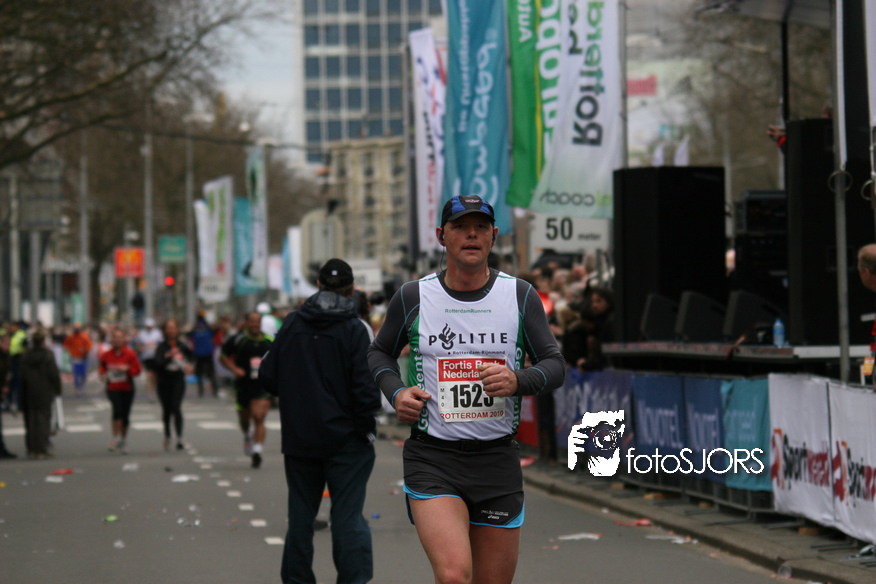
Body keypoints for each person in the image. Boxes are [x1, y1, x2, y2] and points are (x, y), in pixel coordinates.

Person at [367, 195, 566, 584]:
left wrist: (517, 381)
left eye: (481, 227)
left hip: (496, 462)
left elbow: (555, 365)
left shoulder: (520, 295)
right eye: (460, 227)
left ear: (494, 235)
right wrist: (396, 393)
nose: (471, 234)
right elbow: (379, 353)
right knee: (455, 575)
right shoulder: (414, 296)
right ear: (441, 236)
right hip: (433, 459)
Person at [260, 258, 381, 584]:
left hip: (300, 438)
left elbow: (267, 375)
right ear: (352, 290)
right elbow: (367, 389)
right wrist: (364, 429)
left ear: (317, 286)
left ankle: (297, 579)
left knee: (300, 517)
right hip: (347, 441)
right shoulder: (355, 327)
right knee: (347, 516)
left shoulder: (292, 323)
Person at [220, 312, 273, 468]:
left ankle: (257, 451)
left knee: (258, 416)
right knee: (244, 419)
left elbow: (281, 358)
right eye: (252, 321)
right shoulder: (238, 339)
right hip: (243, 385)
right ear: (246, 323)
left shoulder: (269, 341)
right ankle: (247, 434)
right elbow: (223, 356)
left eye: (257, 321)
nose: (255, 324)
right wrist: (234, 369)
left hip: (262, 385)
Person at [98, 328, 142, 454]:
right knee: (117, 409)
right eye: (115, 338)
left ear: (124, 339)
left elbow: (137, 370)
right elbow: (102, 366)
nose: (117, 340)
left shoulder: (130, 354)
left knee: (125, 414)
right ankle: (115, 437)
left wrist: (127, 369)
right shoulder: (106, 354)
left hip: (127, 387)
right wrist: (102, 373)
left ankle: (123, 439)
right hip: (112, 386)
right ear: (111, 340)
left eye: (120, 338)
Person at [153, 319, 193, 451]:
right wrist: (170, 355)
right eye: (168, 328)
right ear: (165, 331)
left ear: (177, 330)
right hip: (164, 381)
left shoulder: (182, 346)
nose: (171, 331)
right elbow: (157, 364)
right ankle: (167, 435)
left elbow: (190, 358)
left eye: (173, 328)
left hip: (178, 380)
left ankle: (180, 438)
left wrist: (189, 365)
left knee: (176, 407)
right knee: (166, 409)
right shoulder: (162, 347)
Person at [20, 331, 62, 459]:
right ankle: (42, 448)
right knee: (43, 420)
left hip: (29, 391)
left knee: (31, 420)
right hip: (44, 390)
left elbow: (22, 375)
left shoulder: (26, 356)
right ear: (43, 342)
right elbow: (54, 374)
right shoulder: (48, 355)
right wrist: (58, 390)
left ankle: (32, 448)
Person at [134, 318, 163, 402]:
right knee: (149, 375)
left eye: (150, 326)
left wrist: (158, 349)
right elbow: (137, 343)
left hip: (156, 357)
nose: (149, 328)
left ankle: (155, 391)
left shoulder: (158, 333)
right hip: (147, 357)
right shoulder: (142, 334)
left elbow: (161, 343)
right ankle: (150, 393)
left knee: (155, 376)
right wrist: (140, 349)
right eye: (147, 326)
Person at [189, 312, 218, 398]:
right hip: (208, 352)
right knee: (211, 372)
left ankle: (201, 391)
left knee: (199, 373)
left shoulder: (195, 328)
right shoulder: (207, 326)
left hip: (198, 353)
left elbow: (189, 335)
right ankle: (215, 390)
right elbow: (213, 333)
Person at [63, 323, 93, 397]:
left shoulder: (84, 337)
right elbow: (66, 344)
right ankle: (77, 388)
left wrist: (84, 350)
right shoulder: (71, 337)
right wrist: (67, 348)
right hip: (74, 358)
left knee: (83, 374)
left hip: (83, 358)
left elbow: (89, 346)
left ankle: (81, 387)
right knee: (76, 374)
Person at [0, 329, 17, 459]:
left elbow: (8, 372)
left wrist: (5, 386)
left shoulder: (6, 356)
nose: (8, 347)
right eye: (6, 344)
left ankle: (2, 448)